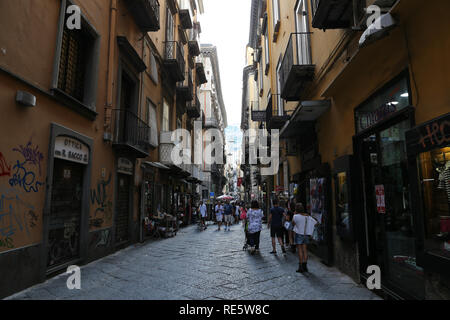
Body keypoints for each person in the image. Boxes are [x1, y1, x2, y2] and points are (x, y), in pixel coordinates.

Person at [292, 203, 317, 273]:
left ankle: (300, 266)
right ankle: (305, 266)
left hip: (298, 234)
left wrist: (294, 214)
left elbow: (293, 224)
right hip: (305, 234)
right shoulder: (307, 216)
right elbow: (315, 222)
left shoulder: (295, 216)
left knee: (300, 250)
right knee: (305, 250)